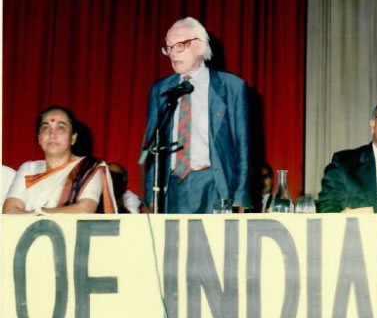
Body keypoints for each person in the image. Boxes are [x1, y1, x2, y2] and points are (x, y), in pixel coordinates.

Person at [142, 16, 250, 213]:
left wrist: (240, 196)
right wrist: (151, 195)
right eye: (169, 48)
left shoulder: (231, 87)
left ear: (200, 46)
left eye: (180, 46)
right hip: (172, 187)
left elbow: (242, 146)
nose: (173, 54)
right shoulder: (160, 90)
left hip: (215, 185)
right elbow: (152, 144)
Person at [3, 106, 116, 214]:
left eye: (60, 128)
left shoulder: (89, 168)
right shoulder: (28, 169)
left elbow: (84, 210)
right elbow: (10, 211)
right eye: (45, 127)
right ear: (39, 138)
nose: (52, 134)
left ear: (73, 138)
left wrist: (38, 212)